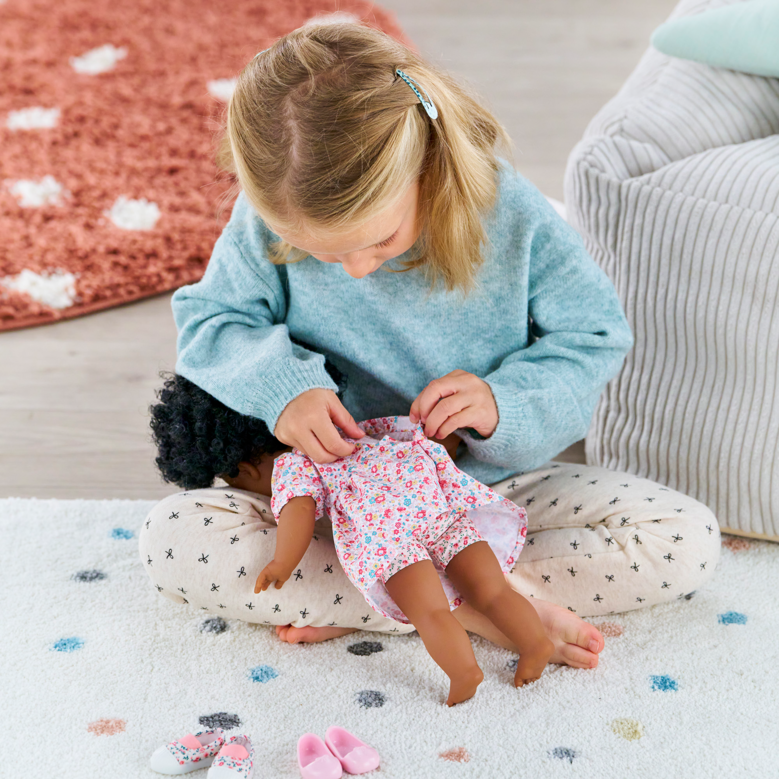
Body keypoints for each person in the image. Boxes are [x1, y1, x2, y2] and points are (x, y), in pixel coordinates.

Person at [140, 18, 722, 675]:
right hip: (336, 507)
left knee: (686, 539)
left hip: (485, 492)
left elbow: (592, 337)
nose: (354, 269)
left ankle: (381, 596)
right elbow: (212, 320)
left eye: (378, 242)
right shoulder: (262, 218)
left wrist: (501, 405)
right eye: (318, 253)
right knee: (174, 537)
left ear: (428, 163)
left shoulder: (511, 219)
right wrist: (283, 388)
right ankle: (478, 605)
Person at [256, 412, 554, 705]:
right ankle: (535, 644)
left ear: (250, 467)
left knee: (431, 614)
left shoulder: (296, 462)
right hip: (442, 517)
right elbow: (433, 442)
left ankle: (464, 671)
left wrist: (283, 562)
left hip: (390, 543)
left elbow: (301, 510)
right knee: (492, 590)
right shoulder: (373, 427)